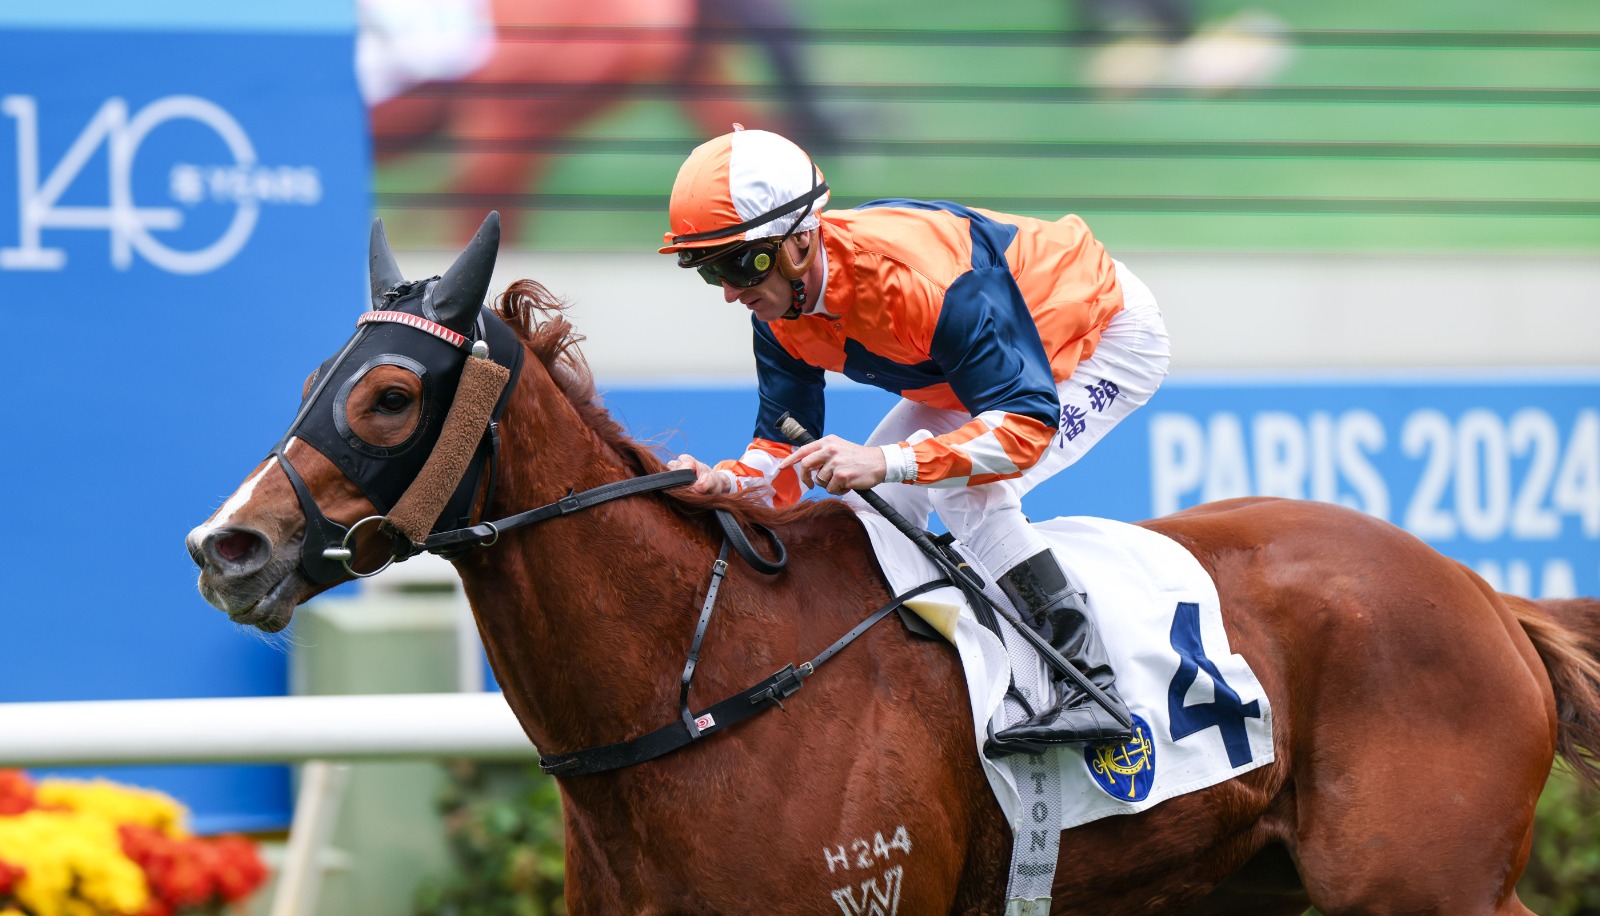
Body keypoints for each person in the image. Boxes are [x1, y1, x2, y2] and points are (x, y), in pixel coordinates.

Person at [660, 127, 1170, 757]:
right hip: (987, 370)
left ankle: (1087, 685)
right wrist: (726, 483)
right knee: (871, 516)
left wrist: (887, 460)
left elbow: (1025, 429)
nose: (732, 292)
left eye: (742, 263)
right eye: (712, 271)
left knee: (963, 492)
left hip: (1103, 337)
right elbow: (782, 451)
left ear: (800, 241)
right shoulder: (778, 310)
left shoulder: (923, 285)